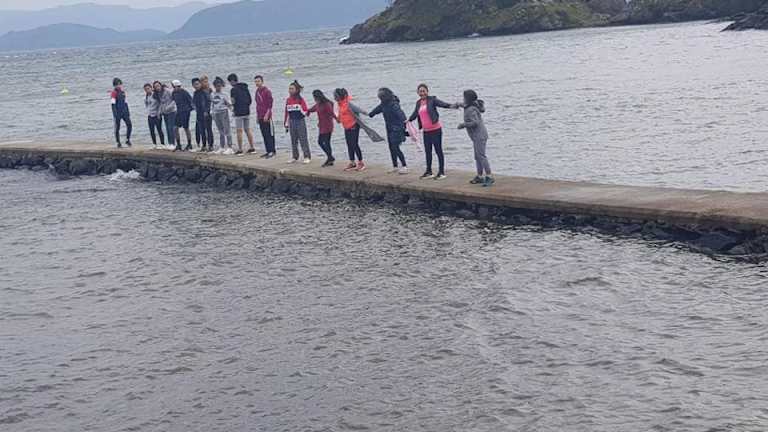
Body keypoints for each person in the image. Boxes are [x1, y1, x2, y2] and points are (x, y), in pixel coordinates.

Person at [408, 83, 452, 180]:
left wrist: (453, 106)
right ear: (418, 93)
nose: (422, 93)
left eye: (424, 91)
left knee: (438, 151)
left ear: (427, 91)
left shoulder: (432, 100)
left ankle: (441, 172)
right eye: (420, 91)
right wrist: (408, 120)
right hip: (426, 131)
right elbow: (415, 113)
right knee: (428, 151)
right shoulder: (418, 103)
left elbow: (443, 104)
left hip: (436, 130)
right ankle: (429, 172)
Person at [458, 89, 494, 187]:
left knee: (481, 156)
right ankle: (479, 176)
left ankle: (489, 176)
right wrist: (456, 105)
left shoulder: (471, 109)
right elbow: (463, 105)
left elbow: (475, 122)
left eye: (464, 97)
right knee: (477, 156)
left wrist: (463, 125)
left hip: (480, 136)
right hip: (476, 136)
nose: (463, 99)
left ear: (468, 99)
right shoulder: (470, 106)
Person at [369, 87, 408, 174]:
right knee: (391, 147)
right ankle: (395, 166)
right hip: (389, 128)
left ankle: (404, 166)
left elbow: (402, 116)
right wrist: (369, 114)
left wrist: (405, 127)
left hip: (397, 128)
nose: (380, 98)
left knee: (395, 147)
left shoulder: (394, 104)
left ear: (386, 96)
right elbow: (375, 111)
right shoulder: (383, 104)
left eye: (381, 96)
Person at [334, 88, 368, 172]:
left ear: (341, 96)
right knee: (349, 144)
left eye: (336, 96)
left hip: (354, 126)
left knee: (354, 144)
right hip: (346, 127)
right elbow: (340, 116)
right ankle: (352, 162)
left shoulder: (348, 104)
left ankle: (361, 163)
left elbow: (359, 110)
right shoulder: (339, 104)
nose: (334, 97)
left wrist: (369, 114)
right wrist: (337, 119)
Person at [284, 80, 311, 164]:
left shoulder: (300, 100)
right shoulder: (288, 100)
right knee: (293, 140)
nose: (290, 90)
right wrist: (286, 123)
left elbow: (306, 112)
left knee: (303, 139)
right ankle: (295, 157)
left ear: (296, 90)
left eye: (292, 89)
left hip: (300, 121)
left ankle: (307, 156)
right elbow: (286, 113)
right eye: (289, 89)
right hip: (292, 121)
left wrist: (299, 108)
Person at [307, 90, 337, 167]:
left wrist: (337, 119)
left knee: (321, 142)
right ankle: (330, 159)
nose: (314, 99)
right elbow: (313, 108)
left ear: (318, 96)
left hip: (327, 125)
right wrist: (308, 111)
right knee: (327, 143)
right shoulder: (318, 104)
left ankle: (330, 157)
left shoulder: (326, 104)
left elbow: (331, 112)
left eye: (314, 97)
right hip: (322, 125)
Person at [228, 73, 256, 155]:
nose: (230, 84)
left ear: (232, 81)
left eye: (230, 82)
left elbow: (233, 101)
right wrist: (246, 106)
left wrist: (234, 109)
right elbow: (250, 100)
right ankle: (252, 147)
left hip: (238, 112)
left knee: (239, 130)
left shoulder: (233, 90)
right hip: (247, 111)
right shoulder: (245, 87)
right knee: (247, 129)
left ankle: (240, 149)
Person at [254, 75, 276, 158]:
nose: (257, 83)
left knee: (269, 133)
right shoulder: (257, 92)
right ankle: (268, 150)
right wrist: (257, 116)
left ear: (262, 81)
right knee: (264, 134)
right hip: (260, 115)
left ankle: (272, 151)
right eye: (256, 81)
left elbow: (270, 105)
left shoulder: (267, 91)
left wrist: (267, 114)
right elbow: (257, 104)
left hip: (267, 115)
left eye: (258, 81)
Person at [211, 76, 233, 152]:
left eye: (219, 86)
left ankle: (230, 147)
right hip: (216, 113)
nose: (218, 87)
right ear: (214, 86)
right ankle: (222, 146)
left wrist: (232, 110)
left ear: (221, 86)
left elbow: (229, 104)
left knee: (227, 129)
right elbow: (212, 104)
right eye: (217, 86)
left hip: (224, 112)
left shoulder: (224, 94)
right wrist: (212, 113)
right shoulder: (212, 94)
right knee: (220, 130)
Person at [192, 78, 214, 152]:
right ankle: (204, 145)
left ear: (200, 84)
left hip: (206, 113)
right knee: (201, 130)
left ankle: (210, 145)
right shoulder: (195, 93)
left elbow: (208, 102)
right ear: (193, 86)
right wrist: (194, 107)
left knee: (208, 129)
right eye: (195, 85)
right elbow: (193, 102)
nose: (196, 86)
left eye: (197, 84)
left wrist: (206, 111)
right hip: (199, 113)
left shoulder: (205, 92)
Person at [172, 79, 193, 151]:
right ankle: (178, 144)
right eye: (174, 87)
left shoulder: (184, 92)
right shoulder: (174, 93)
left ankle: (189, 144)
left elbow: (191, 101)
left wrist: (189, 109)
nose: (174, 88)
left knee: (186, 128)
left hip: (185, 112)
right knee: (175, 128)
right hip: (178, 112)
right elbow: (173, 100)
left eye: (175, 87)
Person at [111, 78, 132, 148]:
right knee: (117, 128)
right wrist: (115, 114)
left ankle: (127, 139)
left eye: (119, 84)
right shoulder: (114, 93)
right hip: (118, 112)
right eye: (116, 85)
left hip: (124, 112)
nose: (118, 86)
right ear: (114, 85)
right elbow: (113, 104)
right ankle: (118, 142)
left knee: (129, 125)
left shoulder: (123, 92)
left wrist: (128, 111)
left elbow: (125, 102)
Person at [155, 81, 176, 149]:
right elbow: (161, 103)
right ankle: (170, 143)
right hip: (165, 113)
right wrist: (159, 112)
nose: (157, 88)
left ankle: (173, 143)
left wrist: (168, 107)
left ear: (161, 85)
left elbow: (174, 100)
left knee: (171, 128)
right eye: (155, 87)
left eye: (158, 86)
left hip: (172, 111)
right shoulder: (158, 93)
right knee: (167, 128)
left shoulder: (167, 91)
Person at [144, 83, 164, 149]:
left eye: (148, 88)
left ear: (151, 88)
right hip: (150, 115)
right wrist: (148, 112)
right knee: (152, 130)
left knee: (159, 129)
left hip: (157, 115)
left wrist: (159, 112)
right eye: (145, 89)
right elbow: (147, 105)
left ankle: (162, 144)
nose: (147, 90)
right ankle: (154, 144)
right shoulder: (146, 97)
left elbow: (160, 104)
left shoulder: (155, 95)